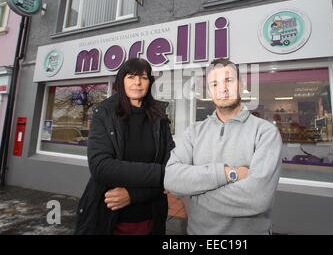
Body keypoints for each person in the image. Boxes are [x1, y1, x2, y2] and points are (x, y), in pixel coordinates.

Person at [164, 58, 283, 235]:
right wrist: (228, 174)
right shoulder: (194, 132)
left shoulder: (265, 132)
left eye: (228, 80)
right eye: (214, 83)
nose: (222, 88)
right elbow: (171, 178)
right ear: (210, 90)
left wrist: (193, 192)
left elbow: (257, 198)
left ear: (241, 84)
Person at [75, 58, 175, 235]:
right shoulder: (104, 113)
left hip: (151, 219)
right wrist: (160, 174)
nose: (137, 82)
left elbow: (173, 167)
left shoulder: (159, 117)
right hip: (109, 219)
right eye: (131, 76)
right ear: (121, 81)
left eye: (143, 77)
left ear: (149, 82)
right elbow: (101, 166)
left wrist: (133, 195)